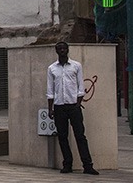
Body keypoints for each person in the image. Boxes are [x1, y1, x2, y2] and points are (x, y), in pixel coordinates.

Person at [47, 41, 98, 175]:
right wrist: (50, 108)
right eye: (59, 49)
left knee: (80, 135)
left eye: (64, 48)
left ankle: (87, 165)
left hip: (73, 106)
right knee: (62, 136)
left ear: (67, 50)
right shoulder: (52, 68)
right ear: (56, 51)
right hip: (59, 106)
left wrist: (77, 104)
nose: (62, 51)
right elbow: (50, 90)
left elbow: (81, 87)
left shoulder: (76, 66)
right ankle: (67, 164)